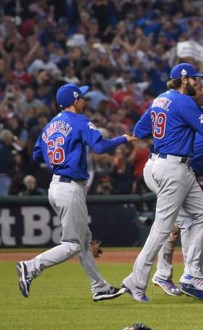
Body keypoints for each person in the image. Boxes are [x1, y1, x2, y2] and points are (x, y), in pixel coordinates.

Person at [121, 63, 203, 302]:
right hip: (172, 168)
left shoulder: (162, 99)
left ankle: (193, 275)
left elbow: (140, 130)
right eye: (195, 79)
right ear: (184, 80)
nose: (198, 82)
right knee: (162, 229)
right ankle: (136, 281)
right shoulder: (183, 102)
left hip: (162, 165)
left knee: (202, 215)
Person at [16, 83, 135, 301]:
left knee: (85, 239)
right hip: (69, 187)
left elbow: (36, 155)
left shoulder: (50, 125)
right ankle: (30, 267)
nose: (84, 100)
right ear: (74, 100)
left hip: (57, 185)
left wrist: (58, 158)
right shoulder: (78, 120)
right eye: (82, 97)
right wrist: (122, 139)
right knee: (72, 244)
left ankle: (99, 287)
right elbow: (99, 147)